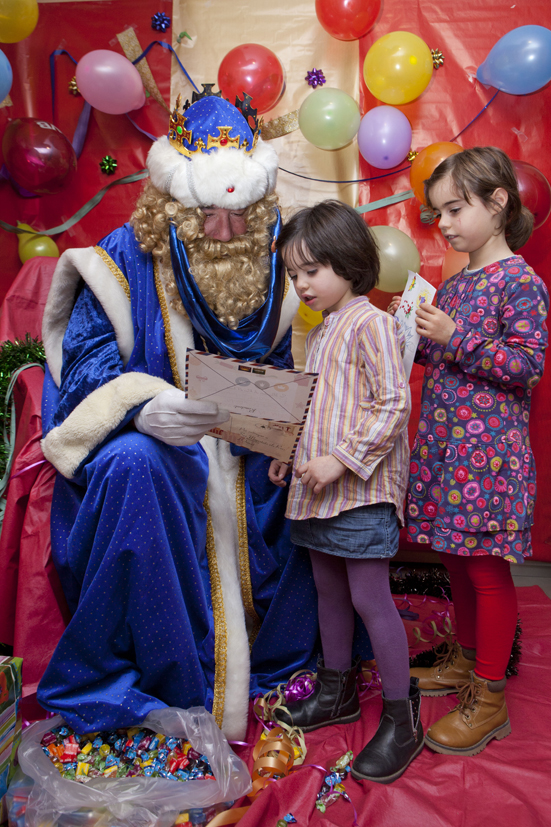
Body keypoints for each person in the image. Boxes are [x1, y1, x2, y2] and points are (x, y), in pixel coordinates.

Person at [35, 88, 332, 740]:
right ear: (171, 200)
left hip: (250, 450)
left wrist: (286, 432)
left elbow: (295, 371)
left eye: (240, 214)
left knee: (317, 473)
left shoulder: (284, 259)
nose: (224, 230)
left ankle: (291, 656)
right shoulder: (120, 258)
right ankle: (148, 675)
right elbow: (82, 369)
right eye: (205, 214)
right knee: (137, 468)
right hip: (154, 444)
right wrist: (141, 405)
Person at [388, 146, 549, 756]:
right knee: (453, 561)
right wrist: (415, 334)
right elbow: (444, 356)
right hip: (447, 451)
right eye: (438, 214)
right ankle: (467, 659)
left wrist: (456, 336)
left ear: (499, 202)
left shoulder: (520, 282)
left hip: (489, 458)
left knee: (484, 568)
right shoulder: (455, 284)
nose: (446, 224)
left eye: (456, 209)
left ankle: (490, 696)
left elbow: (525, 366)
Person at [268, 200, 423, 785]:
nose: (302, 283)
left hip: (359, 492)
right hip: (317, 495)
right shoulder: (325, 328)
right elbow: (318, 409)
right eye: (294, 274)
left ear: (349, 263)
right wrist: (292, 454)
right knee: (327, 592)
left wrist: (341, 460)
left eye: (312, 270)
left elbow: (393, 404)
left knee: (368, 598)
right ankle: (337, 692)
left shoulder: (371, 323)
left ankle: (402, 719)